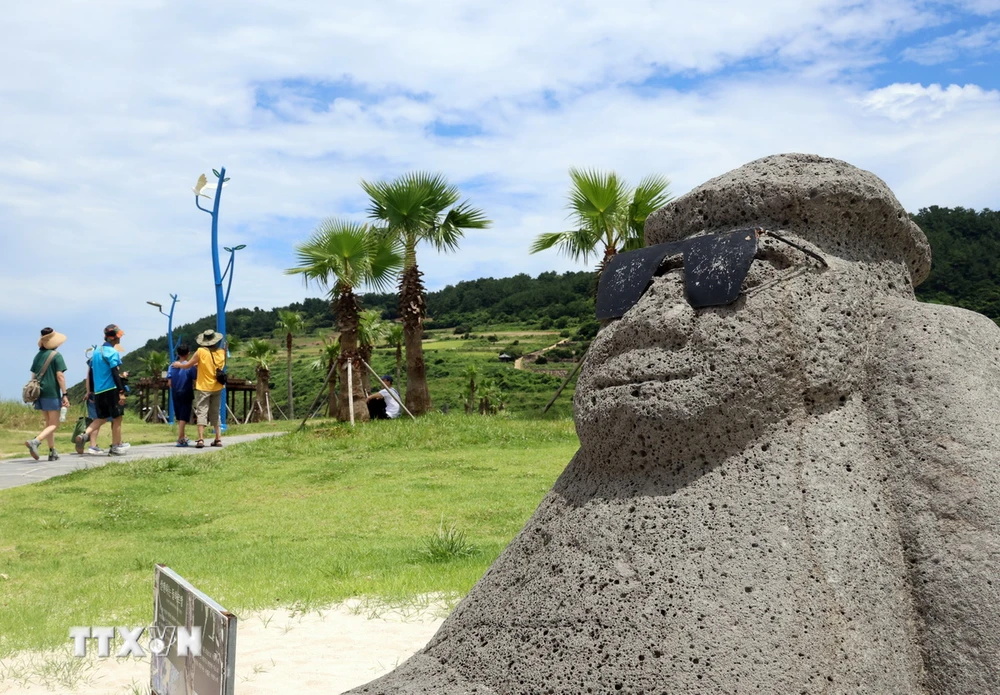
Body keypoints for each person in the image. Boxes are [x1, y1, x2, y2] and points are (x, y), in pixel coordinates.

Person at [75, 325, 128, 456]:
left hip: (98, 392)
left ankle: (83, 435)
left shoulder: (96, 352)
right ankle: (116, 446)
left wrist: (91, 390)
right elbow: (115, 373)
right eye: (119, 336)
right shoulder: (113, 353)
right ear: (114, 337)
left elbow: (91, 373)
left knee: (101, 418)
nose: (120, 338)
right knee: (117, 418)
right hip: (111, 390)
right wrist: (121, 392)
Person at [170, 329, 226, 448]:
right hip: (217, 386)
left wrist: (178, 365)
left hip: (204, 386)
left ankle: (201, 439)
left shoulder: (200, 351)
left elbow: (187, 365)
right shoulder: (222, 352)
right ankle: (218, 439)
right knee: (215, 413)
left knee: (202, 412)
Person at [24, 327, 69, 461]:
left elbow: (33, 376)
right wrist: (65, 394)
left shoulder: (38, 356)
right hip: (51, 392)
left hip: (39, 393)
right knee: (54, 424)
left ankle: (52, 451)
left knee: (49, 424)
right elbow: (60, 376)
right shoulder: (56, 356)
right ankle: (36, 441)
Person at [167, 343, 197, 447]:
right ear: (188, 354)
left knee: (179, 415)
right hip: (186, 392)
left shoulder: (171, 366)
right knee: (184, 416)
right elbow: (195, 380)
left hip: (175, 392)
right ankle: (180, 438)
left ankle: (183, 436)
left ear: (178, 353)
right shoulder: (190, 366)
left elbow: (169, 383)